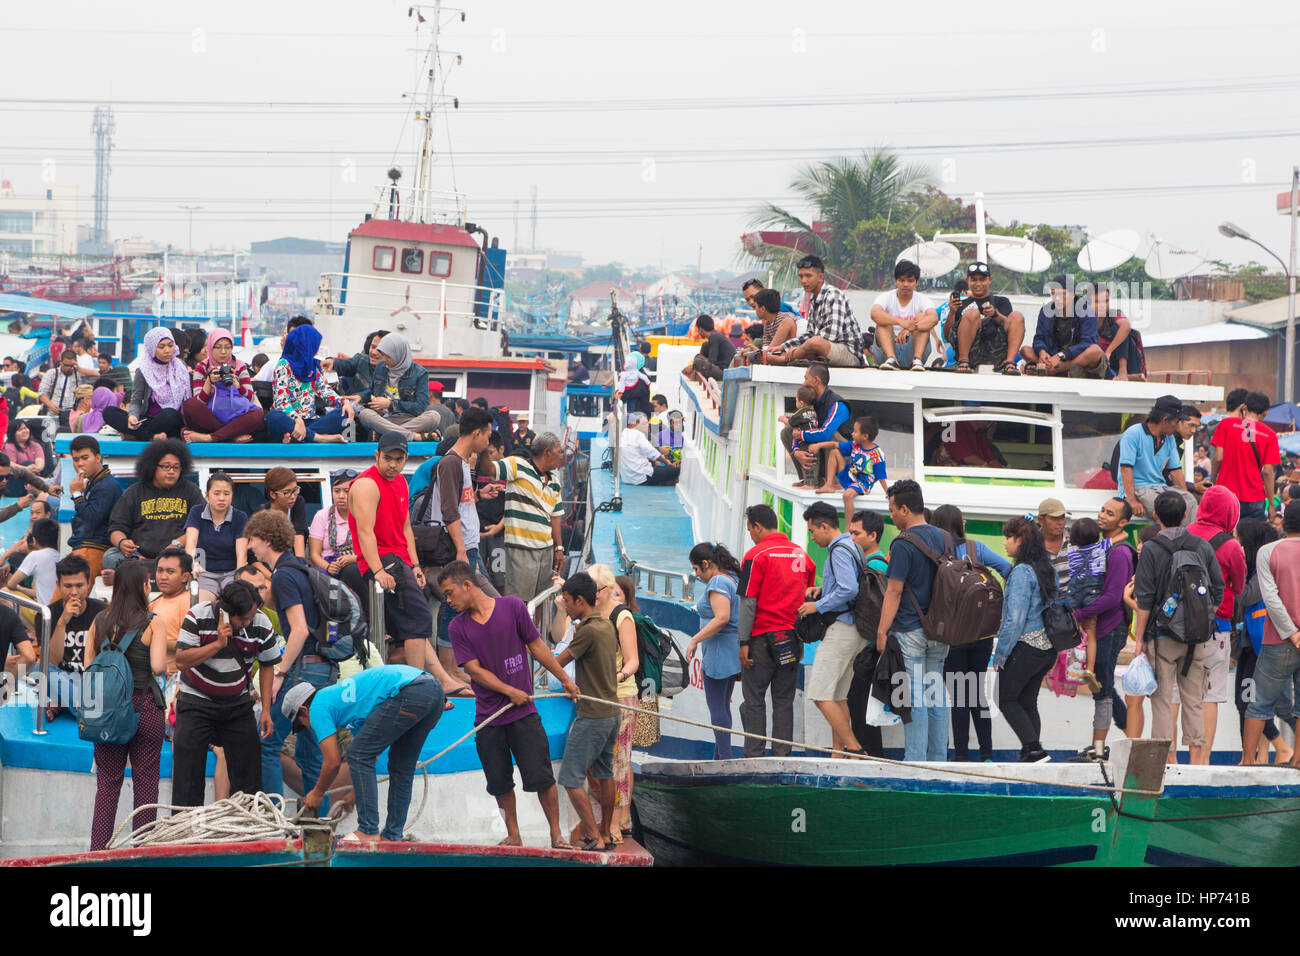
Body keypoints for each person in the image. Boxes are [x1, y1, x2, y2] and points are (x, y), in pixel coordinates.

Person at [439, 561, 578, 848]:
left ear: (468, 585)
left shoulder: (512, 607)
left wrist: (564, 678)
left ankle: (556, 835)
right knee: (499, 783)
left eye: (450, 593)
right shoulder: (457, 627)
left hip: (524, 713)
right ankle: (514, 835)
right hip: (489, 717)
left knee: (542, 776)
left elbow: (537, 646)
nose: (449, 601)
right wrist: (509, 691)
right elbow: (474, 671)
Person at [284, 664, 447, 842]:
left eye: (302, 724)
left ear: (303, 710)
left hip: (411, 690)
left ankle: (368, 830)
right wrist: (356, 793)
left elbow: (332, 761)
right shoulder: (350, 708)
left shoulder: (317, 706)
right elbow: (370, 756)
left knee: (357, 754)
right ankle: (393, 836)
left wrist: (317, 793)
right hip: (433, 691)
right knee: (401, 766)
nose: (308, 728)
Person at [244, 508, 340, 804]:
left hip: (303, 670)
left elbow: (298, 630)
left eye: (252, 539)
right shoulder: (301, 568)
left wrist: (280, 674)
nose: (249, 546)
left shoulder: (285, 575)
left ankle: (273, 819)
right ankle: (316, 828)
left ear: (267, 539)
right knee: (311, 753)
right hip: (325, 669)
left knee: (266, 742)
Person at [349, 433, 456, 687]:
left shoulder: (400, 482)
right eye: (387, 458)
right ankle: (419, 686)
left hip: (399, 560)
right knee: (419, 619)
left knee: (415, 626)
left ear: (406, 458)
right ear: (376, 455)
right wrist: (377, 570)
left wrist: (415, 564)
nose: (393, 465)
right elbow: (365, 532)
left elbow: (406, 527)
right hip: (382, 560)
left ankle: (440, 680)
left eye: (399, 459)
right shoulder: (366, 485)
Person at [1132, 491, 1225, 764]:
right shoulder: (1201, 546)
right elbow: (1218, 589)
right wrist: (1201, 617)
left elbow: (1145, 598)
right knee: (1194, 698)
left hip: (1162, 636)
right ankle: (1197, 761)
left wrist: (1139, 639)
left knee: (1161, 698)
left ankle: (1165, 762)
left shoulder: (1150, 548)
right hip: (1197, 636)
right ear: (1185, 515)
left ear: (1156, 516)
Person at [171, 580, 279, 807]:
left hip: (238, 703)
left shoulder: (260, 621)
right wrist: (218, 644)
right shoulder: (198, 615)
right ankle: (185, 832)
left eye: (252, 615)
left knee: (248, 778)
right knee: (187, 777)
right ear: (226, 613)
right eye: (243, 619)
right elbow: (181, 660)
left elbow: (268, 663)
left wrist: (266, 709)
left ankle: (246, 829)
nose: (249, 622)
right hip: (195, 701)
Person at [87, 560, 169, 851]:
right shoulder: (152, 622)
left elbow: (88, 667)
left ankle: (98, 852)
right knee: (146, 782)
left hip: (107, 710)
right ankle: (142, 852)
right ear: (145, 586)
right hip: (143, 706)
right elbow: (158, 667)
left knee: (107, 783)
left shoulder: (99, 621)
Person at [875, 479, 950, 761]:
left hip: (911, 629)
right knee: (936, 692)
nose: (891, 515)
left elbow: (893, 591)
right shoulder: (945, 538)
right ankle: (939, 760)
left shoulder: (903, 544)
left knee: (916, 695)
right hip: (941, 629)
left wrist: (882, 631)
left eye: (893, 509)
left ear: (905, 509)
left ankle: (916, 761)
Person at [930, 505, 1011, 762]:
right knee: (976, 693)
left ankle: (962, 756)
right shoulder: (977, 549)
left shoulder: (934, 554)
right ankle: (987, 754)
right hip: (983, 634)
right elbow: (1008, 570)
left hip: (952, 636)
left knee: (959, 697)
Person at [426, 406, 499, 676]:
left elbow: (461, 502)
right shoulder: (450, 463)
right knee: (457, 608)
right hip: (460, 549)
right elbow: (448, 511)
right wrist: (459, 550)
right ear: (477, 433)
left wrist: (479, 495)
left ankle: (459, 668)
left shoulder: (463, 462)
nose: (488, 442)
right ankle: (449, 670)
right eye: (487, 435)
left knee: (462, 608)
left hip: (469, 546)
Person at [737, 504, 814, 756]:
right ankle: (783, 757)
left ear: (758, 527)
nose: (751, 535)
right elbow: (807, 598)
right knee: (783, 700)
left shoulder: (755, 556)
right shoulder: (802, 556)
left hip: (761, 639)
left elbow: (748, 603)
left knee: (755, 699)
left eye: (750, 530)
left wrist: (743, 642)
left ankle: (755, 757)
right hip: (791, 638)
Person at [553, 572, 621, 851]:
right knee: (606, 774)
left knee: (569, 777)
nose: (565, 606)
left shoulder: (588, 631)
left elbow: (558, 661)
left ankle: (592, 834)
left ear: (581, 600)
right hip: (611, 713)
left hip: (592, 715)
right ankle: (605, 834)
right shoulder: (605, 625)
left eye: (567, 601)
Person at [1065, 498, 1134, 762]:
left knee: (1102, 692)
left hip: (1110, 626)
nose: (1102, 515)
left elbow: (1112, 597)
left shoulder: (1118, 553)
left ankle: (1099, 748)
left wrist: (1079, 615)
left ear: (1123, 522)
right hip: (1102, 625)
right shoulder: (1104, 547)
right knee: (1103, 687)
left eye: (1110, 513)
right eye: (1102, 510)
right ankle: (1124, 735)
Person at [799, 502, 870, 756]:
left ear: (825, 526)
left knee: (820, 694)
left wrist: (817, 605)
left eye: (812, 531)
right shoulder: (853, 546)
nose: (812, 536)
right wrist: (823, 590)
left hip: (841, 628)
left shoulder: (837, 549)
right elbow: (848, 585)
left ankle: (854, 748)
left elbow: (848, 589)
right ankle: (837, 753)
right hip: (856, 629)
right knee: (838, 696)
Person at [1183, 484, 1245, 763]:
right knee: (1209, 694)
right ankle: (1202, 759)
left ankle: (1173, 757)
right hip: (1216, 624)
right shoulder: (1230, 545)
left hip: (1179, 625)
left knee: (1177, 691)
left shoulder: (1183, 535)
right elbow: (1240, 585)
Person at [991, 517, 1058, 762]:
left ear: (1022, 541)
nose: (1006, 543)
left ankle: (1033, 748)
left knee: (1004, 697)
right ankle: (1031, 753)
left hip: (1027, 645)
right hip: (1047, 647)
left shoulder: (1021, 572)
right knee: (1027, 701)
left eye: (1009, 537)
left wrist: (1001, 654)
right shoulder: (1046, 569)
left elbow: (1015, 619)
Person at [1240, 500, 1300, 766]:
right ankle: (1297, 760)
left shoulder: (1267, 551)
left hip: (1278, 639)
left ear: (1284, 522)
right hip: (1293, 637)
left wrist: (1291, 632)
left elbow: (1271, 598)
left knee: (1259, 703)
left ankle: (1247, 761)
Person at [586, 564, 641, 838]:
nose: (591, 595)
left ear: (608, 590)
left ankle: (618, 819)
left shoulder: (622, 617)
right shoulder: (588, 614)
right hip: (593, 696)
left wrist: (615, 677)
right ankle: (605, 813)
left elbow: (632, 661)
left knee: (619, 760)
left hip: (620, 696)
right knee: (595, 759)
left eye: (594, 590)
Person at [490, 431, 568, 605]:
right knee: (519, 602)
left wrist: (559, 548)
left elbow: (555, 517)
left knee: (540, 600)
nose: (562, 456)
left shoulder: (555, 481)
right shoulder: (517, 465)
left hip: (546, 550)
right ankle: (517, 633)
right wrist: (482, 449)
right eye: (559, 451)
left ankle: (534, 633)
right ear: (547, 452)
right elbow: (491, 469)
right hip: (521, 548)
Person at [103, 439, 204, 572]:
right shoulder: (135, 491)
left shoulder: (191, 491)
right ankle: (154, 568)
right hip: (139, 555)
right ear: (152, 466)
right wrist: (122, 542)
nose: (171, 471)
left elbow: (201, 524)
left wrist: (177, 544)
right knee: (110, 556)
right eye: (166, 466)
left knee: (199, 553)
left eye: (176, 467)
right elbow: (116, 527)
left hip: (178, 553)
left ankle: (146, 570)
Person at [685, 542, 742, 760]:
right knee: (723, 708)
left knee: (717, 709)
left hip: (719, 654)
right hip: (730, 653)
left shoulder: (718, 582)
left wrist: (694, 640)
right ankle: (719, 758)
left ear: (706, 564)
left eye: (697, 569)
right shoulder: (733, 578)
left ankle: (724, 760)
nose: (696, 574)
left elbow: (722, 618)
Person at [769, 255, 866, 368]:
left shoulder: (833, 295)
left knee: (815, 342)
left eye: (808, 276)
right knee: (803, 345)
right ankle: (785, 356)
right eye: (801, 276)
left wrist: (799, 350)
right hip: (827, 350)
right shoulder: (813, 300)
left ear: (820, 277)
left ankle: (786, 359)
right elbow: (809, 334)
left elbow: (831, 335)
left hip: (849, 353)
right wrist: (783, 346)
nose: (804, 280)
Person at [266, 324, 358, 443]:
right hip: (290, 420)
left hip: (310, 421)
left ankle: (299, 437)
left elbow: (325, 391)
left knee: (344, 414)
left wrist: (344, 402)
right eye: (314, 346)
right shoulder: (283, 365)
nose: (316, 350)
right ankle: (318, 438)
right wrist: (297, 420)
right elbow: (281, 402)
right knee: (273, 417)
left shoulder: (312, 367)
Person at [1118, 395, 1197, 524]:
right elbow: (1125, 468)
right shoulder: (1133, 434)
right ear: (1165, 420)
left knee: (1190, 501)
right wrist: (1132, 501)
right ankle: (1178, 540)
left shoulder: (1170, 438)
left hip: (1160, 488)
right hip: (1139, 489)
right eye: (1176, 422)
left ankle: (1189, 539)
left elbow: (1175, 470)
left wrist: (1184, 495)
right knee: (1169, 509)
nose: (1177, 426)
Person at [44, 555, 107, 716]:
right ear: (58, 585)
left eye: (79, 585)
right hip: (63, 680)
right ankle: (85, 710)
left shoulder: (103, 612)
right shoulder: (46, 614)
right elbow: (51, 662)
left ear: (88, 584)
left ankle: (67, 705)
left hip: (94, 681)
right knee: (41, 670)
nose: (74, 592)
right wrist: (62, 622)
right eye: (68, 586)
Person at [354, 332, 444, 442]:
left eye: (389, 356)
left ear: (399, 354)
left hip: (410, 420)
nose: (385, 359)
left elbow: (420, 407)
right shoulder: (381, 367)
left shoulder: (420, 373)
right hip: (383, 420)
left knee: (434, 416)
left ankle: (384, 434)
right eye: (384, 355)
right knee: (365, 414)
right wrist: (360, 396)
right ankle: (413, 436)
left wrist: (390, 404)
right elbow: (371, 391)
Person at [102, 327, 188, 440]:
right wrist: (132, 416)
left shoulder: (180, 366)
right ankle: (150, 436)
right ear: (152, 348)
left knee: (170, 414)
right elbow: (136, 400)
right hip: (148, 420)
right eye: (161, 347)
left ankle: (137, 435)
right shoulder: (143, 370)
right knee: (109, 412)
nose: (167, 350)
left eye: (170, 345)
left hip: (171, 421)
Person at [181, 329, 266, 443]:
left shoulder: (240, 366)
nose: (223, 352)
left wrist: (237, 385)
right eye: (218, 347)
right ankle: (230, 436)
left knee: (257, 416)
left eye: (228, 347)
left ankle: (209, 437)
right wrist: (208, 382)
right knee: (189, 405)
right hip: (212, 418)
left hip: (236, 416)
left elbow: (250, 398)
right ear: (211, 347)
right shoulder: (202, 367)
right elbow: (199, 402)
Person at [1212, 390, 1281, 523]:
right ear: (1265, 412)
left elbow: (1218, 458)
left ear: (1245, 407)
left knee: (1225, 536)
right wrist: (1271, 505)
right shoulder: (1270, 435)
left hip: (1227, 494)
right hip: (1254, 499)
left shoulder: (1226, 424)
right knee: (1253, 539)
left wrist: (1214, 480)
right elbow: (1267, 472)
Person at [945, 262, 1027, 375]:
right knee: (972, 314)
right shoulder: (959, 304)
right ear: (968, 280)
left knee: (1017, 316)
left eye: (982, 279)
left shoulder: (1002, 302)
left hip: (996, 351)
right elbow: (947, 336)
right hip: (970, 353)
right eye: (974, 279)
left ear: (990, 280)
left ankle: (1009, 363)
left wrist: (995, 315)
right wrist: (952, 313)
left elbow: (1013, 326)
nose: (978, 283)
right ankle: (963, 362)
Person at [782, 364, 851, 490]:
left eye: (806, 378)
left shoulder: (838, 404)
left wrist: (801, 435)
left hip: (844, 458)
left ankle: (836, 481)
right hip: (821, 452)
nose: (803, 383)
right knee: (787, 431)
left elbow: (826, 434)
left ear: (816, 380)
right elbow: (797, 428)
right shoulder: (809, 402)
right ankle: (810, 478)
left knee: (832, 435)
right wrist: (796, 451)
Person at [1022, 276, 1106, 378]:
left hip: (1076, 358)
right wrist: (1042, 352)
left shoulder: (1087, 311)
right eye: (1054, 294)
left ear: (1073, 294)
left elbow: (1087, 343)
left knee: (1095, 351)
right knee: (1025, 351)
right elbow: (1039, 338)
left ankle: (1056, 369)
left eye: (1063, 294)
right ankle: (1053, 368)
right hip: (1053, 356)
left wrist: (1062, 355)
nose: (1058, 298)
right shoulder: (1046, 310)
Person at [810, 415, 887, 523]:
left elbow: (881, 476)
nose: (852, 434)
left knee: (847, 495)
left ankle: (848, 527)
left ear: (865, 436)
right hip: (850, 476)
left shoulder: (877, 454)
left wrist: (888, 493)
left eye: (855, 432)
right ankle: (828, 485)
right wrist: (819, 445)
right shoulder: (855, 445)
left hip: (862, 484)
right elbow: (835, 444)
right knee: (834, 452)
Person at [869, 259, 943, 371]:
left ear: (916, 282)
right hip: (886, 350)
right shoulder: (886, 297)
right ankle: (891, 360)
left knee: (921, 318)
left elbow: (933, 318)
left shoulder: (922, 299)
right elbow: (874, 314)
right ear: (895, 280)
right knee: (883, 321)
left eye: (910, 281)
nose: (905, 284)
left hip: (912, 349)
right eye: (901, 280)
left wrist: (910, 329)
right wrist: (901, 323)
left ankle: (917, 360)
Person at [184, 472, 249, 596]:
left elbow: (242, 555)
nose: (221, 498)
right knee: (203, 607)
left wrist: (239, 582)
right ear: (207, 494)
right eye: (216, 493)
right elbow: (191, 544)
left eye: (226, 493)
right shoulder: (196, 512)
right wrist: (193, 564)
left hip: (232, 574)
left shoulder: (240, 517)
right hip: (204, 573)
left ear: (232, 496)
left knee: (235, 602)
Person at [1065, 517, 1108, 693]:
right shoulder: (1102, 548)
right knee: (1091, 634)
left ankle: (1071, 669)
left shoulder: (1072, 553)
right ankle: (1089, 669)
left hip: (1075, 593)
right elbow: (1122, 536)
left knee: (1075, 632)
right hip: (1093, 593)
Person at [308, 468, 363, 595]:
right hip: (327, 568)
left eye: (346, 491)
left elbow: (376, 550)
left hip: (357, 567)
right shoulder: (322, 516)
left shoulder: (365, 516)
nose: (341, 496)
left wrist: (354, 558)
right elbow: (314, 555)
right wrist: (328, 566)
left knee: (352, 571)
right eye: (336, 491)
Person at [1093, 286, 1145, 381]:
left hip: (1129, 361)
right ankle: (1130, 377)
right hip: (1109, 366)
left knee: (1119, 328)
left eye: (1106, 301)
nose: (1102, 305)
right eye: (1097, 302)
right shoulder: (1085, 321)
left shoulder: (1113, 313)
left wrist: (1108, 351)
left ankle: (1123, 372)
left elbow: (1126, 326)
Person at [6, 516, 59, 604]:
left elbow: (11, 584)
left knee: (5, 591)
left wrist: (19, 588)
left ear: (34, 541)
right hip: (57, 611)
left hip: (43, 613)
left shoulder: (35, 556)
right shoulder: (59, 555)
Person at [258, 467, 308, 558]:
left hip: (293, 560)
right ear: (273, 494)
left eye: (295, 490)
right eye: (287, 492)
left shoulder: (298, 502)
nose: (293, 496)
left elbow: (298, 533)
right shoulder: (262, 514)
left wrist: (300, 566)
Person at [323, 329, 389, 398]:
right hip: (350, 404)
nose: (374, 352)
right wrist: (333, 362)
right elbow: (346, 365)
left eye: (379, 349)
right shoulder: (361, 360)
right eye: (372, 347)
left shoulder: (395, 375)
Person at [619, 412, 679, 486]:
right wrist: (667, 463)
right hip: (642, 477)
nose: (648, 425)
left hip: (628, 479)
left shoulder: (622, 435)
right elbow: (653, 453)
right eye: (637, 422)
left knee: (665, 470)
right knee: (678, 470)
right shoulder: (637, 434)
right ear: (632, 424)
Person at [683, 315, 737, 383]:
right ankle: (695, 372)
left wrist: (693, 366)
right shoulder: (715, 335)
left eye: (697, 329)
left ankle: (694, 374)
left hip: (724, 372)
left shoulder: (714, 337)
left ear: (700, 329)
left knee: (698, 361)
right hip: (723, 368)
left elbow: (712, 361)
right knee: (704, 346)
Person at [36, 349, 82, 419]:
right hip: (52, 414)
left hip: (72, 415)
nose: (68, 368)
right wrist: (52, 406)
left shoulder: (79, 375)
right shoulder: (51, 373)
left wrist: (80, 369)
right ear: (60, 362)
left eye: (71, 366)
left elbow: (97, 374)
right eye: (66, 365)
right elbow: (42, 394)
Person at [4, 420, 45, 487]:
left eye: (25, 428)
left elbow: (40, 462)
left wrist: (36, 468)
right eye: (20, 430)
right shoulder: (8, 447)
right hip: (13, 481)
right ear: (13, 433)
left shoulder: (35, 445)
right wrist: (26, 469)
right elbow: (11, 465)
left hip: (33, 477)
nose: (24, 431)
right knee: (27, 463)